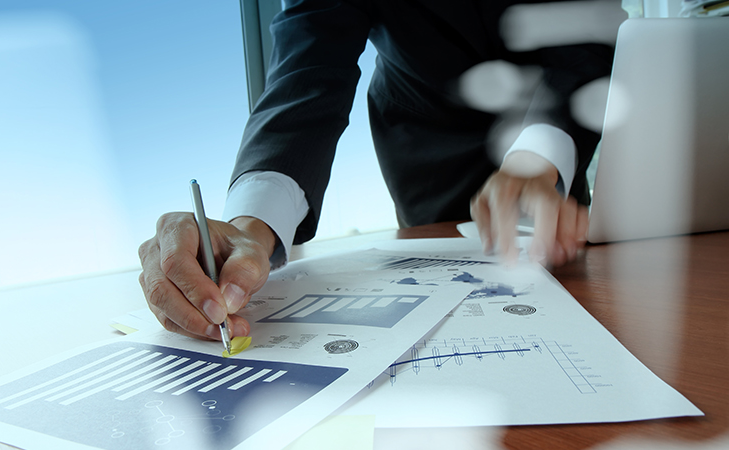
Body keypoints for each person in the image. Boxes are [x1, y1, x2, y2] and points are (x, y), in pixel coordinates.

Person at [138, 0, 617, 342]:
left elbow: (586, 38)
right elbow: (309, 66)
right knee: (451, 301)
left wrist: (540, 155)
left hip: (553, 117)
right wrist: (250, 227)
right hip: (428, 135)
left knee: (568, 279)